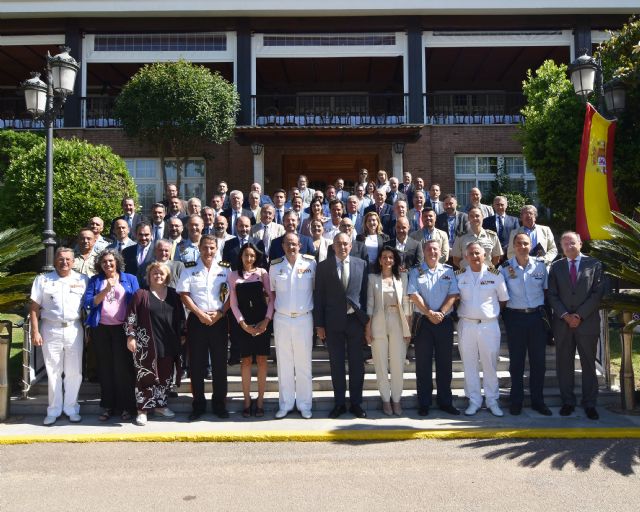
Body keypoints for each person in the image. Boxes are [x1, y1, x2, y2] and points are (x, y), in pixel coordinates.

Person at [547, 231, 606, 420]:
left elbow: (597, 294)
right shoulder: (556, 267)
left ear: (580, 243)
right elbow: (552, 295)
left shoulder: (594, 264)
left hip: (587, 323)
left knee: (588, 364)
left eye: (572, 242)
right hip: (563, 324)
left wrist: (579, 315)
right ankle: (568, 402)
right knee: (564, 364)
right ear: (561, 247)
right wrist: (565, 315)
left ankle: (589, 403)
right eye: (565, 243)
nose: (569, 246)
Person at [29, 247, 88, 425]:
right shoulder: (43, 280)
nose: (64, 262)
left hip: (74, 328)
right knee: (53, 371)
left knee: (74, 371)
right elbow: (33, 308)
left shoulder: (82, 279)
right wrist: (35, 331)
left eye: (68, 259)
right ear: (55, 261)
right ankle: (53, 410)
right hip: (50, 329)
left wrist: (89, 331)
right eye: (61, 259)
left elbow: (89, 307)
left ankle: (71, 408)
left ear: (73, 261)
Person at [176, 235, 231, 421]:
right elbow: (184, 294)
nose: (209, 252)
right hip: (197, 321)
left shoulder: (225, 268)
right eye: (205, 248)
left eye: (212, 248)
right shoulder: (189, 268)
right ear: (199, 248)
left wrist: (221, 313)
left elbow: (232, 295)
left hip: (219, 320)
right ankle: (198, 405)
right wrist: (200, 314)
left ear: (217, 248)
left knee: (219, 365)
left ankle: (219, 405)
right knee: (197, 365)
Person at [314, 232, 368, 419]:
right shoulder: (323, 267)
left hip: (355, 322)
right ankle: (339, 404)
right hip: (333, 323)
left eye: (346, 244)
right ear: (333, 246)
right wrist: (319, 325)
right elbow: (319, 297)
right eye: (339, 244)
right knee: (336, 365)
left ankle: (356, 403)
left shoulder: (361, 265)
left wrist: (366, 323)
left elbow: (365, 295)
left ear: (351, 246)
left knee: (356, 366)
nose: (342, 247)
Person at [125, 262, 185, 426]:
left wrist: (183, 335)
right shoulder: (141, 294)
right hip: (146, 343)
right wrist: (131, 337)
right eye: (155, 273)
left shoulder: (173, 294)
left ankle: (160, 405)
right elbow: (131, 317)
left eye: (161, 273)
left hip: (169, 342)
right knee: (145, 376)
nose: (158, 276)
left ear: (167, 277)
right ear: (149, 276)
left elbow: (180, 318)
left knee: (165, 376)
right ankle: (142, 410)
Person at [84, 248, 139, 422]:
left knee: (123, 369)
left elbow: (137, 303)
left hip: (123, 329)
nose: (108, 264)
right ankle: (108, 406)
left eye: (111, 260)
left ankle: (126, 407)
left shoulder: (130, 279)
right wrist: (105, 290)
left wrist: (133, 331)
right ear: (100, 265)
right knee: (105, 368)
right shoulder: (95, 280)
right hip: (101, 329)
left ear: (117, 261)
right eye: (104, 261)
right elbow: (88, 303)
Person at [500, 233, 552, 416]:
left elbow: (546, 293)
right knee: (516, 363)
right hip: (515, 319)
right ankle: (517, 401)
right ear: (513, 246)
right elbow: (501, 296)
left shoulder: (540, 267)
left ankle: (538, 401)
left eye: (526, 243)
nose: (522, 247)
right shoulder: (504, 268)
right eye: (519, 244)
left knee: (538, 362)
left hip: (536, 319)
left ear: (531, 246)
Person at [456, 241, 509, 417]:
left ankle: (492, 401)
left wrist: (488, 314)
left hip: (489, 325)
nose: (474, 256)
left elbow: (503, 299)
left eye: (478, 253)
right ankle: (474, 401)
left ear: (484, 255)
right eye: (471, 253)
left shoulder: (496, 275)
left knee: (490, 365)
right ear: (465, 257)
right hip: (467, 324)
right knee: (469, 365)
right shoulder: (459, 276)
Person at [408, 240, 460, 416]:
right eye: (429, 249)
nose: (432, 252)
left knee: (445, 363)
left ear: (440, 252)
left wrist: (441, 313)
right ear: (424, 251)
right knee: (423, 364)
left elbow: (454, 294)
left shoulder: (448, 271)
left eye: (435, 249)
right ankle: (424, 402)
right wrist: (430, 313)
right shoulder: (416, 271)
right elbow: (413, 294)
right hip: (423, 322)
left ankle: (445, 401)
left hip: (444, 322)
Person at [269, 233, 316, 419]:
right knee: (284, 363)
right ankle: (286, 403)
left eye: (294, 244)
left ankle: (305, 404)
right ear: (282, 245)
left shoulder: (311, 264)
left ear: (300, 245)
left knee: (304, 364)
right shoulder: (275, 266)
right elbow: (271, 292)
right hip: (282, 318)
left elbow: (315, 289)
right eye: (288, 244)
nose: (291, 247)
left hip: (304, 318)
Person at [228, 243, 275, 418]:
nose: (249, 259)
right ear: (241, 257)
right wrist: (243, 324)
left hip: (262, 321)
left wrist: (266, 320)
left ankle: (260, 401)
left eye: (252, 256)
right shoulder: (233, 276)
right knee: (246, 362)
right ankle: (247, 401)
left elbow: (271, 299)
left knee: (262, 361)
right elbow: (233, 303)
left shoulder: (262, 273)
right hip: (243, 324)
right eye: (246, 255)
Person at [365, 247, 412, 416]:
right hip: (378, 320)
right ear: (379, 260)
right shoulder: (372, 279)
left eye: (391, 257)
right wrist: (368, 327)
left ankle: (397, 400)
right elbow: (370, 304)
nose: (388, 260)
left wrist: (408, 327)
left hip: (398, 321)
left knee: (398, 363)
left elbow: (407, 304)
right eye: (384, 257)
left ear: (395, 260)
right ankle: (386, 399)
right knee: (380, 363)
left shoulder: (402, 278)